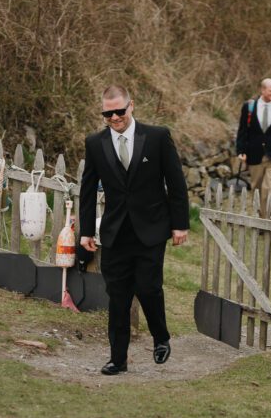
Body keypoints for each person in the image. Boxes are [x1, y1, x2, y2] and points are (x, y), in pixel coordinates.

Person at [79, 85, 189, 376]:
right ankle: (118, 358)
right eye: (108, 113)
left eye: (119, 111)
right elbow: (87, 190)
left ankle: (161, 337)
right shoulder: (95, 143)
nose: (114, 117)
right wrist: (86, 231)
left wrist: (180, 224)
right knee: (118, 296)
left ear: (131, 106)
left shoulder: (156, 137)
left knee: (149, 288)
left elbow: (176, 183)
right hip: (115, 232)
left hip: (151, 229)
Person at [235, 78, 271, 217]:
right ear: (263, 90)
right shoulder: (249, 107)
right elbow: (242, 131)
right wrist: (241, 151)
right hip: (255, 155)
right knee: (258, 189)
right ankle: (262, 221)